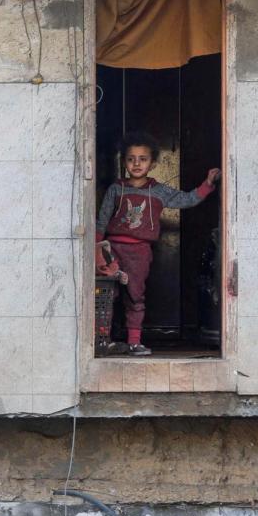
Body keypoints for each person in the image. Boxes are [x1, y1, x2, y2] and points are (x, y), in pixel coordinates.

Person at [95, 132, 220, 356]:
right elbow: (102, 220)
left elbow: (187, 199)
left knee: (135, 295)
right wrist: (96, 249)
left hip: (139, 252)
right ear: (124, 162)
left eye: (143, 159)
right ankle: (104, 340)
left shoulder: (159, 191)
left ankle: (134, 342)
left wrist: (207, 184)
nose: (136, 164)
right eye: (131, 159)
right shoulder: (116, 189)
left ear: (152, 164)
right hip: (112, 250)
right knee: (106, 294)